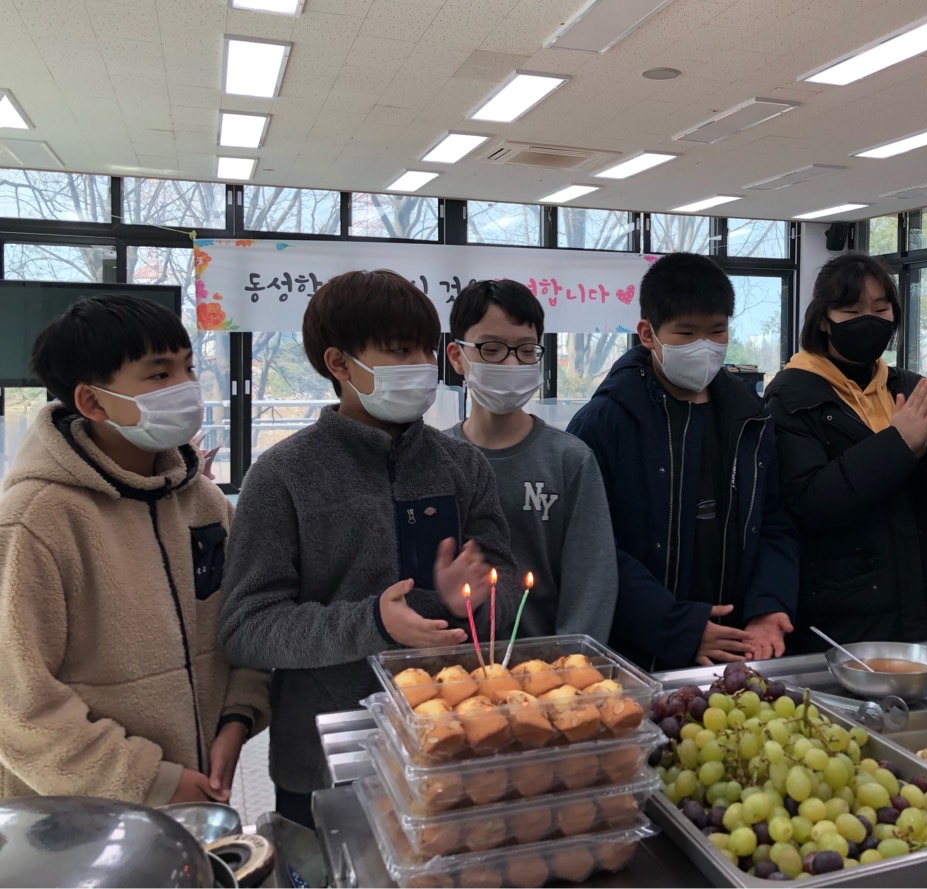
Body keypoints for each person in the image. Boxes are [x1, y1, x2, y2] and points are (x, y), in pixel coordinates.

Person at [218, 269, 518, 828]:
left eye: (427, 350)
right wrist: (374, 622)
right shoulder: (282, 476)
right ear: (339, 363)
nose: (423, 366)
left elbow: (502, 587)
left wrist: (471, 598)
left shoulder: (462, 464)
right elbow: (247, 626)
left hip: (451, 743)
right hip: (325, 761)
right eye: (401, 351)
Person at [0, 295, 268, 804]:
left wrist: (239, 715)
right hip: (78, 819)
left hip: (195, 800)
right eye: (160, 374)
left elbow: (244, 621)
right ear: (92, 402)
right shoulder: (35, 520)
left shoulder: (204, 501)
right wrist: (151, 780)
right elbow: (17, 707)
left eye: (188, 368)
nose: (186, 387)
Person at [567, 253, 799, 670]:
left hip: (739, 647)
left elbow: (773, 522)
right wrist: (679, 628)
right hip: (639, 655)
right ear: (647, 333)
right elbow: (592, 548)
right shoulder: (604, 423)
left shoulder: (751, 419)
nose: (704, 347)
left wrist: (768, 604)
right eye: (686, 333)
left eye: (717, 332)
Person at [765, 253, 927, 652]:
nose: (868, 321)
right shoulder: (790, 395)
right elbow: (809, 501)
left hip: (921, 599)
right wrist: (898, 444)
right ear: (824, 319)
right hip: (842, 613)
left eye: (880, 309)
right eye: (852, 311)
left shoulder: (909, 387)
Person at [444, 279, 618, 642]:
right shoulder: (435, 460)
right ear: (457, 357)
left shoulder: (569, 460)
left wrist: (569, 664)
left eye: (526, 350)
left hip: (549, 667)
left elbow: (591, 585)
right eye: (492, 349)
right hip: (453, 666)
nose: (511, 362)